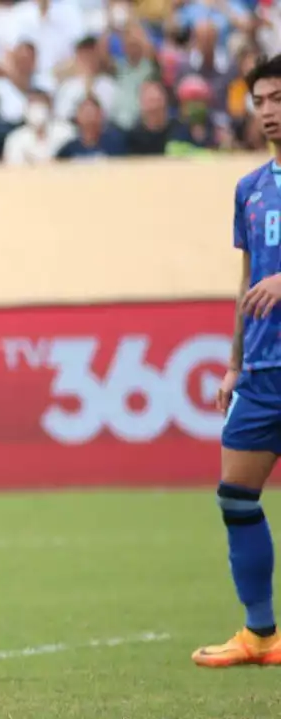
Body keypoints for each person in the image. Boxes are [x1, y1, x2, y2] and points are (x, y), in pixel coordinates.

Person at [196, 53, 281, 669]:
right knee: (236, 498)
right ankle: (260, 635)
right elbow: (248, 279)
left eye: (277, 98)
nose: (269, 112)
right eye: (260, 102)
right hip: (260, 372)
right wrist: (232, 363)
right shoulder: (249, 189)